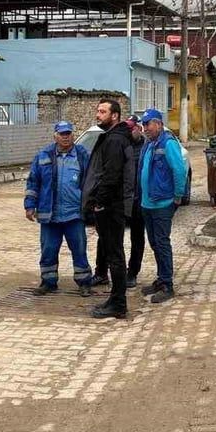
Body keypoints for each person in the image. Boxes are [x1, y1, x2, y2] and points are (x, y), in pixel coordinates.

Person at [81, 99, 136, 319]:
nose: (98, 115)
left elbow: (111, 175)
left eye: (103, 112)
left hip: (112, 206)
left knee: (115, 255)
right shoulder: (115, 137)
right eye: (97, 111)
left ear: (115, 115)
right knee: (115, 254)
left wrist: (99, 202)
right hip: (113, 204)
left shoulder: (115, 140)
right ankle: (115, 299)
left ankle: (118, 304)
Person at [25, 121, 94, 297]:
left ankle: (84, 282)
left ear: (72, 135)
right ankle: (48, 282)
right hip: (50, 214)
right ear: (55, 136)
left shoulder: (82, 155)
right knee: (48, 249)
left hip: (74, 214)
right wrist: (29, 205)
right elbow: (33, 182)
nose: (65, 137)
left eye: (68, 133)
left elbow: (90, 181)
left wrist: (90, 205)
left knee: (79, 248)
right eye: (62, 134)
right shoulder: (43, 155)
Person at [137, 108, 188, 304]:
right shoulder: (149, 144)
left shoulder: (168, 143)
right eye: (144, 124)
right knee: (154, 243)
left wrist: (177, 196)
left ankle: (167, 284)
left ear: (158, 124)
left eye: (148, 124)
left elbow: (179, 170)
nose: (145, 128)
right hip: (147, 203)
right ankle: (161, 278)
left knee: (162, 242)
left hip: (162, 202)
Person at [92, 115, 146, 289]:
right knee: (107, 238)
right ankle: (101, 271)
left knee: (137, 238)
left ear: (140, 128)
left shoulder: (146, 148)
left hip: (138, 201)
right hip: (117, 201)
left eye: (133, 128)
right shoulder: (119, 143)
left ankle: (132, 273)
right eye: (128, 128)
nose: (131, 131)